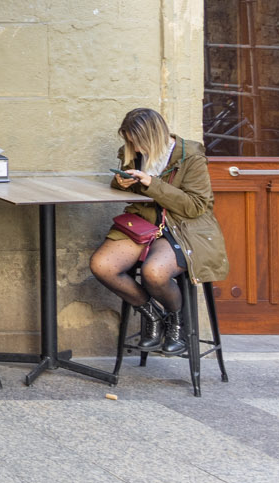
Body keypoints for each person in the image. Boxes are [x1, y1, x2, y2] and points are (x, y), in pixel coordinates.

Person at [89, 107, 230, 358]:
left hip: (182, 227)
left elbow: (197, 206)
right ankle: (152, 316)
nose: (137, 150)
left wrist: (152, 184)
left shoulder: (191, 157)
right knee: (102, 265)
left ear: (154, 137)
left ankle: (177, 323)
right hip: (143, 223)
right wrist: (121, 183)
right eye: (131, 143)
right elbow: (132, 187)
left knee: (154, 273)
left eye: (140, 143)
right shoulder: (132, 152)